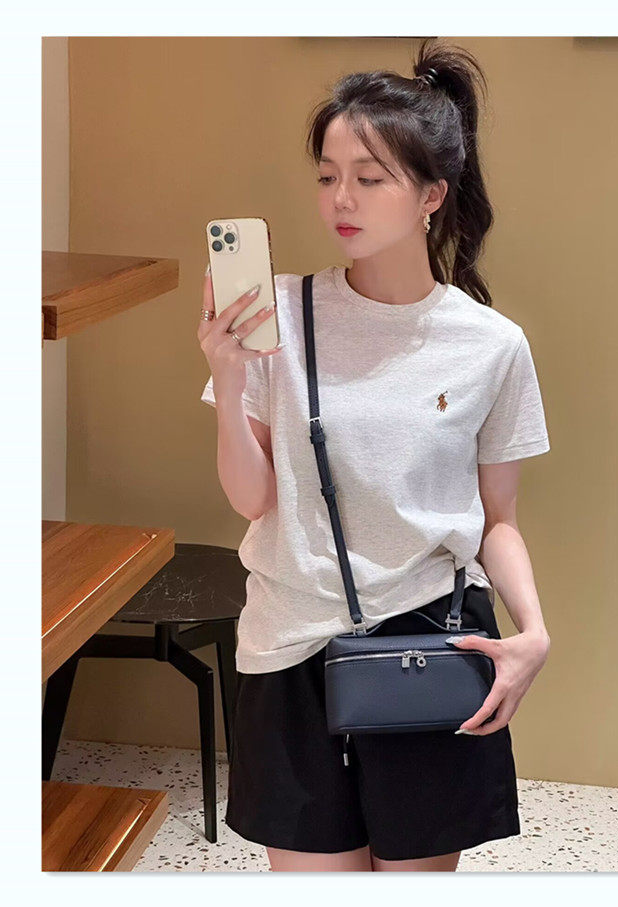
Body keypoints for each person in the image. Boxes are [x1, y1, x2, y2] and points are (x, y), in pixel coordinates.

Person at [197, 38, 552, 873]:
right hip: (288, 644)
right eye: (328, 175)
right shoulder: (278, 315)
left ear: (431, 194)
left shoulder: (491, 345)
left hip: (428, 642)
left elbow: (497, 519)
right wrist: (228, 375)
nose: (341, 198)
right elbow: (252, 499)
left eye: (369, 176)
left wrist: (534, 630)